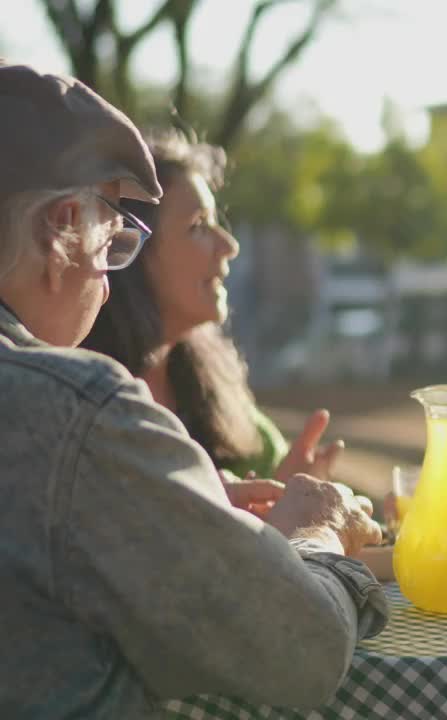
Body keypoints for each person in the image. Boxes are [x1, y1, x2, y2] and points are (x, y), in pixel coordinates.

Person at [0, 61, 387, 718]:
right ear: (63, 229)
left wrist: (182, 511)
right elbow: (303, 651)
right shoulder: (78, 411)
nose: (108, 280)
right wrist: (315, 533)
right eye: (112, 242)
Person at [80, 128, 343, 507]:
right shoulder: (81, 408)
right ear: (126, 247)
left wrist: (283, 492)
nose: (229, 246)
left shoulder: (218, 392)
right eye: (198, 226)